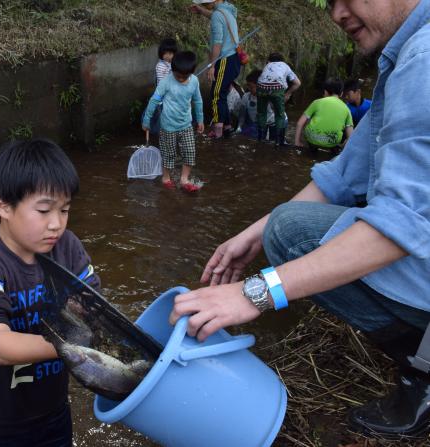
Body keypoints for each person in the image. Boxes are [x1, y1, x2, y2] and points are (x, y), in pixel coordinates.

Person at [170, 0, 430, 439]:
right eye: (328, 1)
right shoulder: (402, 56)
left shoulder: (422, 59)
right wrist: (255, 232)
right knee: (284, 227)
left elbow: (404, 221)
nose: (337, 13)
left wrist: (255, 293)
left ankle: (422, 368)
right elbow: (343, 173)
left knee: (291, 233)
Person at [0, 139, 100, 447]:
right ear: (4, 205)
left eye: (65, 210)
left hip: (52, 404)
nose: (56, 224)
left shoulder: (67, 248)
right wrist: (76, 346)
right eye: (44, 210)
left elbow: (96, 310)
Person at [142, 51, 205, 193]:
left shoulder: (194, 81)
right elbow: (154, 100)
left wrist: (200, 119)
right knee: (168, 154)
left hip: (186, 124)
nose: (181, 79)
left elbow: (198, 100)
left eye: (185, 76)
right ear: (172, 70)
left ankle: (184, 179)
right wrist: (147, 120)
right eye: (178, 76)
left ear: (192, 72)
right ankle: (165, 178)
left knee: (189, 152)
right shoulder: (166, 82)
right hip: (168, 126)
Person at [190, 0, 241, 139]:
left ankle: (217, 131)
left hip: (224, 59)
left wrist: (212, 65)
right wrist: (201, 11)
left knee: (216, 95)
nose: (205, 6)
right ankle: (227, 128)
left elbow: (217, 43)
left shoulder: (218, 15)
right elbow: (215, 15)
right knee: (222, 93)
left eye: (206, 4)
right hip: (234, 58)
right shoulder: (228, 10)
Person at [294, 78, 353, 151]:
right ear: (341, 93)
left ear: (325, 91)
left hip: (312, 139)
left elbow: (300, 123)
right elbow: (350, 136)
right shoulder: (346, 109)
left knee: (309, 119)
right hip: (331, 143)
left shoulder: (317, 102)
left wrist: (297, 142)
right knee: (344, 128)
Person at [256, 52, 301, 146]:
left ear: (268, 60)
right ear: (282, 60)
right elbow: (297, 83)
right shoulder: (284, 65)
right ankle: (278, 141)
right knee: (279, 114)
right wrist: (288, 93)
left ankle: (260, 139)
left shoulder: (267, 65)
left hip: (260, 87)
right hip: (277, 88)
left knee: (261, 112)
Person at [238, 69, 288, 140]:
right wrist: (239, 127)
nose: (248, 88)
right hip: (261, 122)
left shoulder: (270, 96)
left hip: (276, 122)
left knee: (274, 143)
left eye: (251, 87)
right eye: (248, 86)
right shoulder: (246, 97)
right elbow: (242, 114)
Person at [150, 38, 179, 136]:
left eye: (170, 53)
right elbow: (162, 83)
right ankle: (160, 134)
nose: (168, 56)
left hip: (173, 97)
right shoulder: (160, 66)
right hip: (163, 97)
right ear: (161, 53)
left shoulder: (175, 64)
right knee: (163, 117)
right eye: (165, 53)